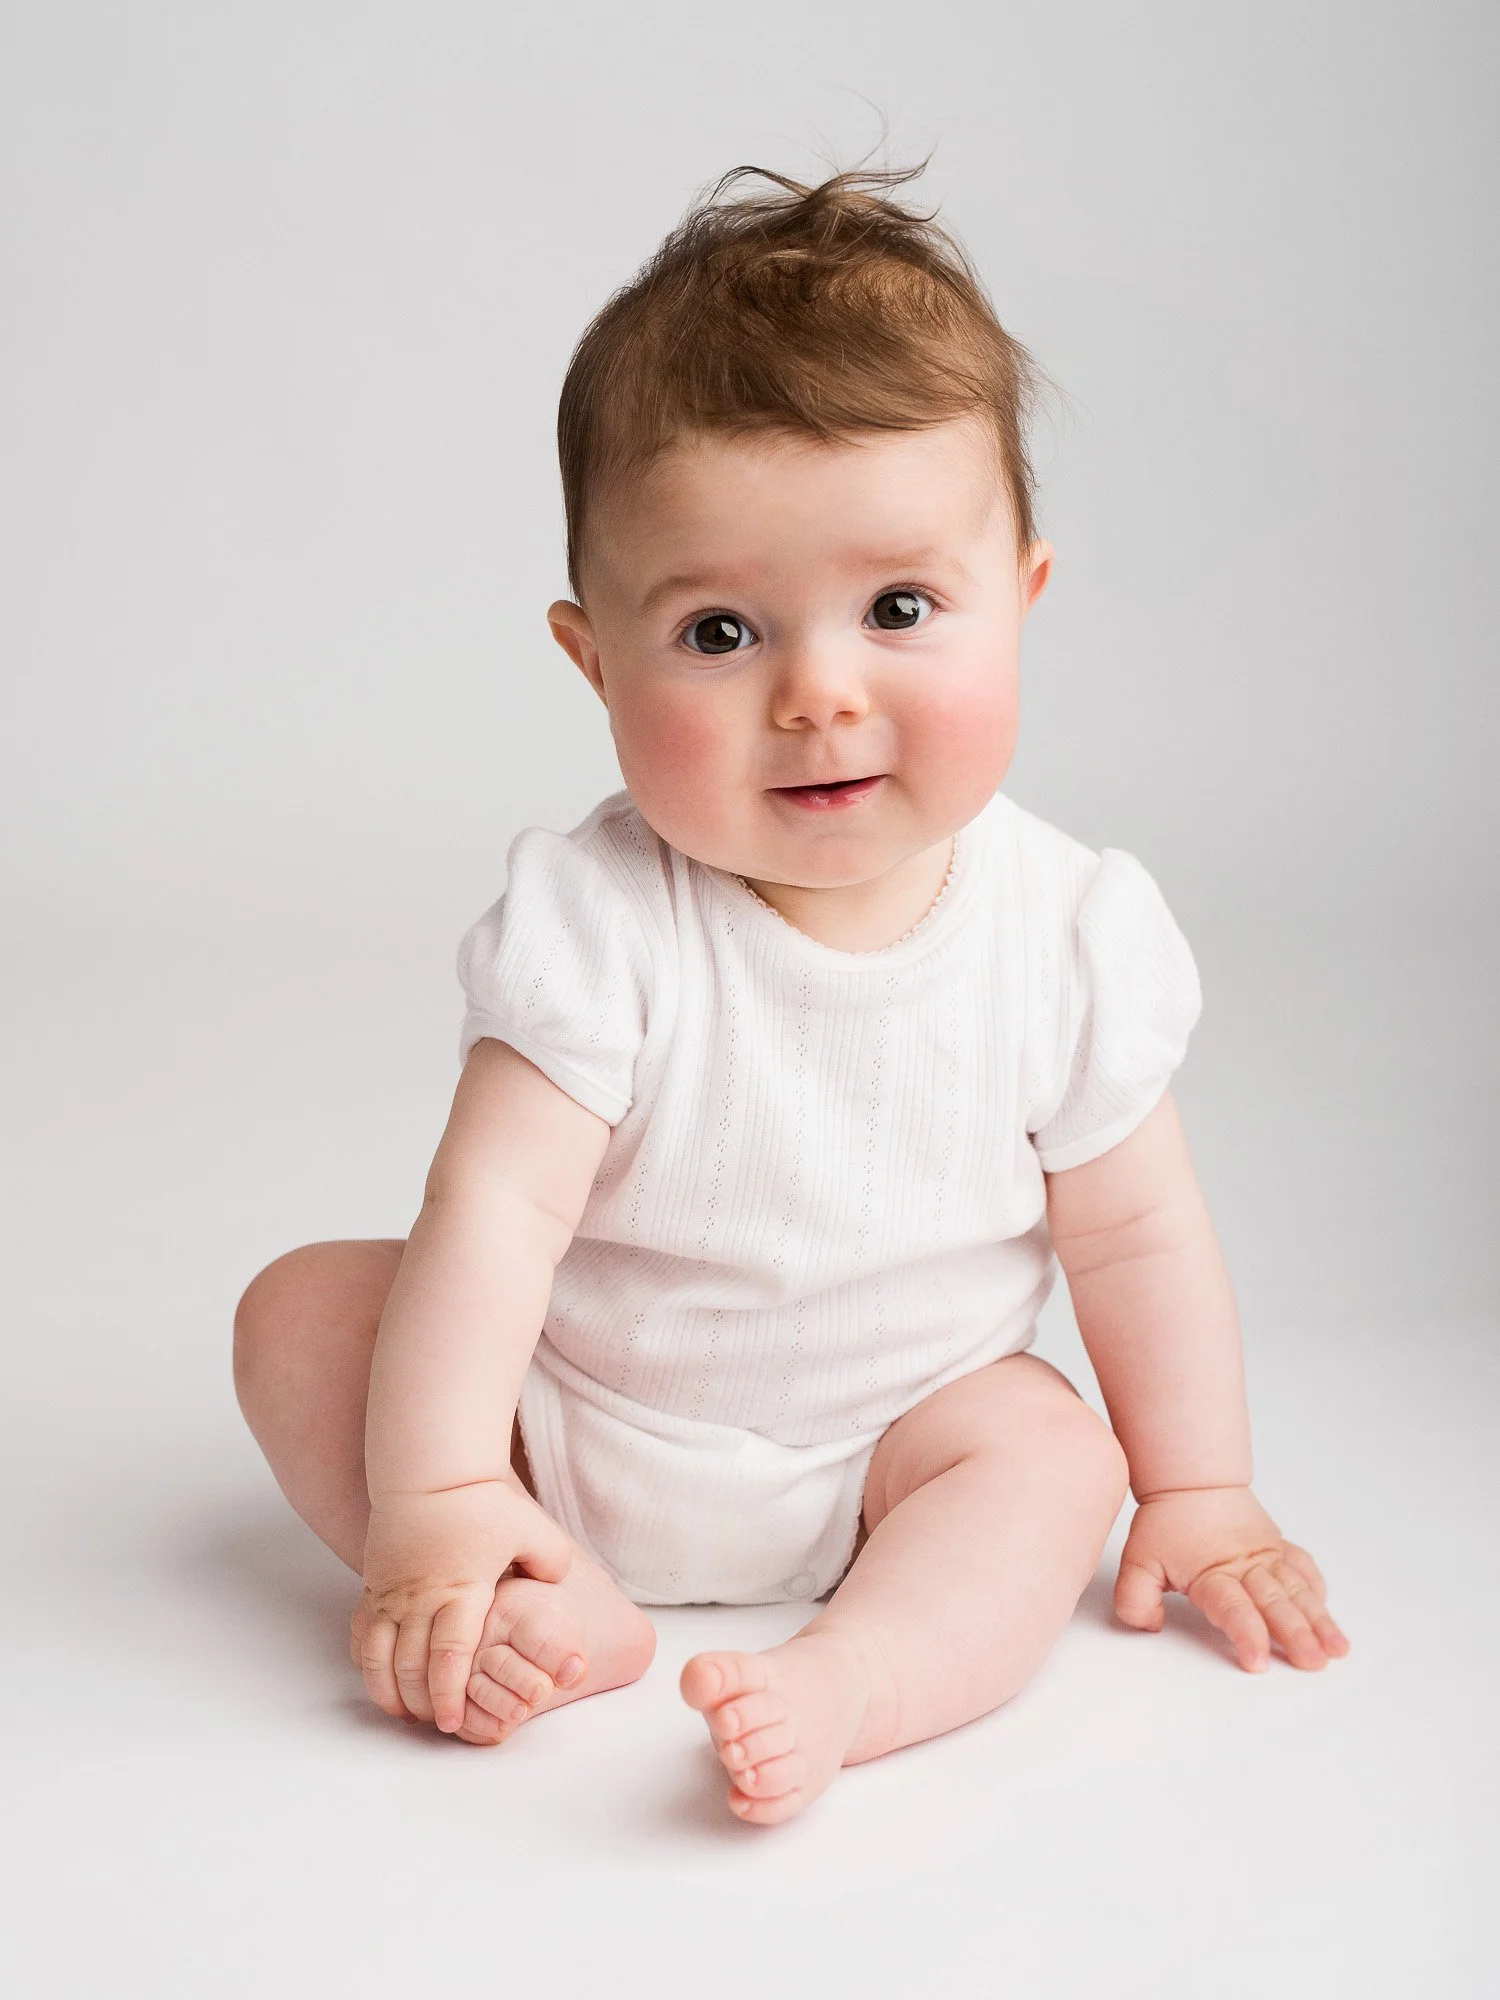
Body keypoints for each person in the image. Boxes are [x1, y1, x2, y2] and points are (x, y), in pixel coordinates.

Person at [233, 164, 1349, 1828]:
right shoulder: (596, 919)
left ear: (1021, 603)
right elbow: (491, 1216)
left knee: (1052, 1458)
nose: (819, 696)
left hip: (902, 1456)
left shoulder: (1069, 932)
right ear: (593, 658)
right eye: (720, 631)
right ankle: (537, 1590)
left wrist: (1202, 1488)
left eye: (899, 609)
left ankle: (857, 1676)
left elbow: (1133, 1239)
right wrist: (444, 1486)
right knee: (304, 1314)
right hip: (576, 1419)